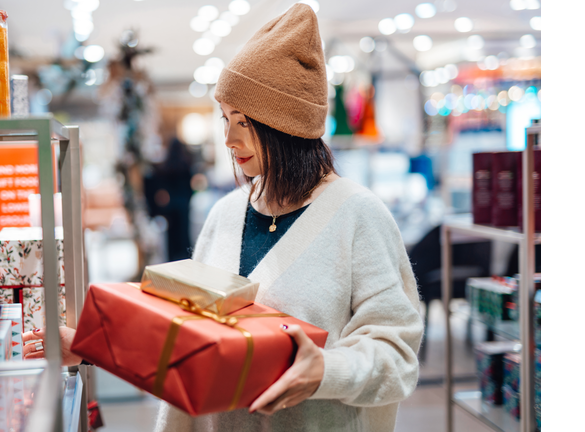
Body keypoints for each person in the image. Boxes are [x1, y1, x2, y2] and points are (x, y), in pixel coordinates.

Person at [22, 4, 423, 432]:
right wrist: (90, 346)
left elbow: (396, 355)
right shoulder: (227, 213)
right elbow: (189, 343)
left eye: (244, 122)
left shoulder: (358, 217)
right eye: (225, 120)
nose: (229, 139)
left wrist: (326, 370)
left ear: (284, 125)